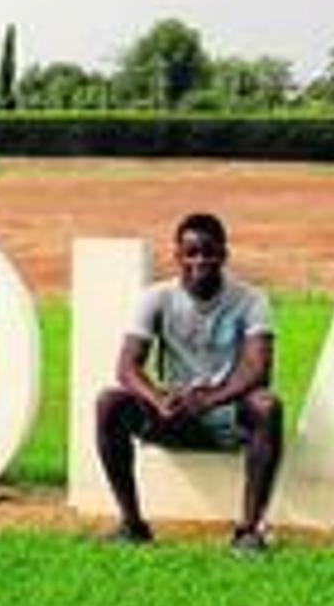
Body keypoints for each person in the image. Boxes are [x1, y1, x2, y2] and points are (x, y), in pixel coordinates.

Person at [94, 213, 283, 553]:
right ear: (177, 256)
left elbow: (258, 370)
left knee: (266, 406)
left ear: (224, 254)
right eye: (191, 253)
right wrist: (158, 399)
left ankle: (249, 530)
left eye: (209, 252)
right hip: (174, 415)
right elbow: (126, 367)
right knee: (109, 402)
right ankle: (132, 525)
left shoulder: (251, 299)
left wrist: (211, 399)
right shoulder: (156, 297)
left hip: (227, 415)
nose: (200, 261)